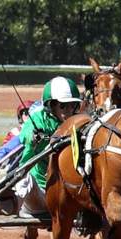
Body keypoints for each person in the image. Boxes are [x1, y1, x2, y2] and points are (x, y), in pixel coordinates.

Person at [15, 76, 81, 217]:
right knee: (26, 183)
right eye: (63, 105)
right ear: (51, 105)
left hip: (68, 189)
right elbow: (25, 134)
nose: (68, 110)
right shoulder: (38, 119)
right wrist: (33, 137)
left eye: (72, 105)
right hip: (39, 188)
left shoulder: (78, 121)